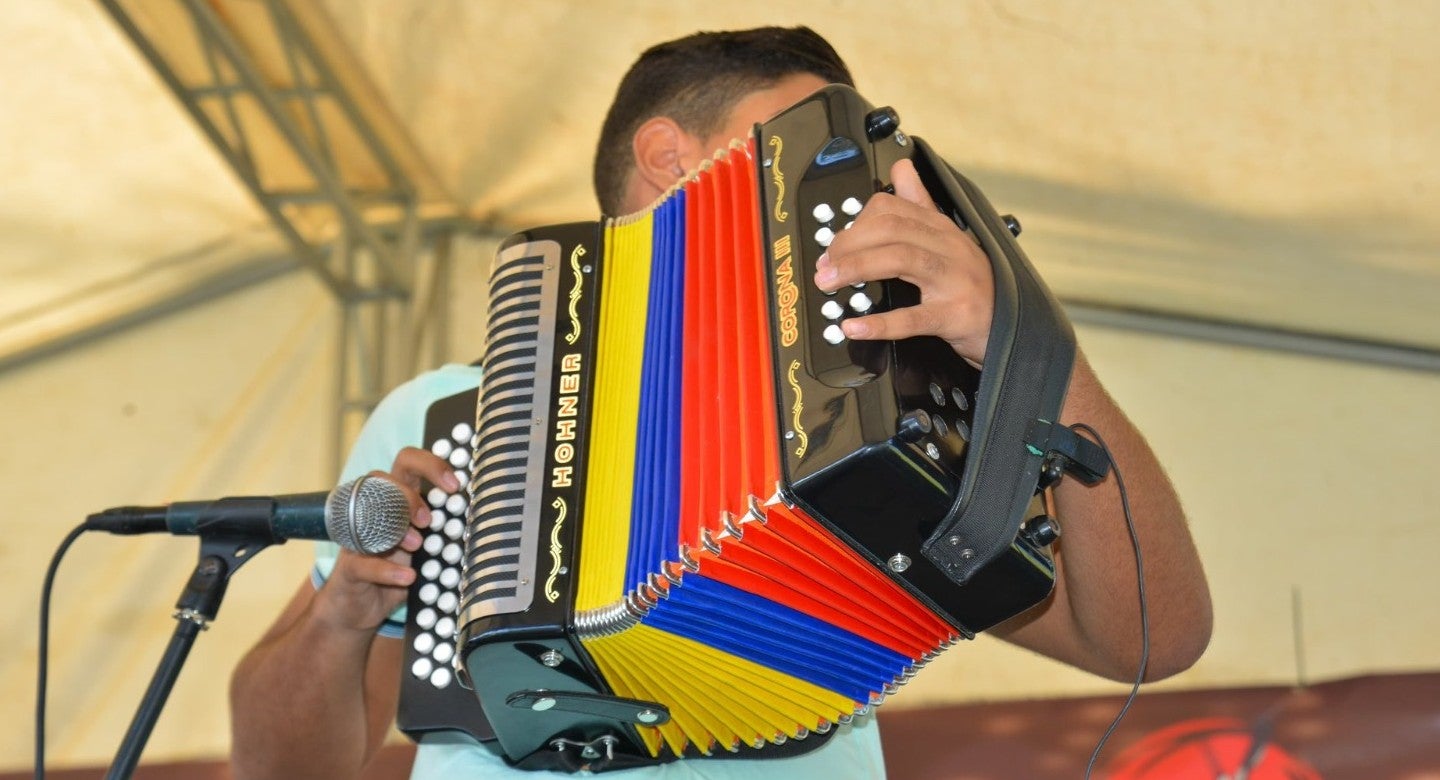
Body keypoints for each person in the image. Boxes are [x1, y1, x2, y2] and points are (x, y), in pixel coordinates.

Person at [229, 26, 1212, 780]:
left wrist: (1022, 342)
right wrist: (342, 614)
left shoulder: (885, 411)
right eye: (811, 152)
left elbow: (1149, 641)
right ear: (670, 158)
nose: (860, 193)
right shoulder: (448, 413)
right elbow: (281, 769)